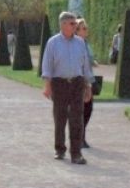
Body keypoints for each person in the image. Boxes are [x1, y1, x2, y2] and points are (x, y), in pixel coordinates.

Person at [42, 11, 93, 165]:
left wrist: (88, 85)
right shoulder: (52, 42)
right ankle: (60, 148)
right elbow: (47, 65)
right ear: (63, 24)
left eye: (76, 24)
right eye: (72, 24)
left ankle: (76, 153)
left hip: (77, 83)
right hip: (59, 83)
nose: (75, 26)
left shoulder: (80, 42)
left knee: (77, 118)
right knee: (60, 117)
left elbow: (85, 65)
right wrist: (47, 86)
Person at [75, 19, 99, 149]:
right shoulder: (75, 44)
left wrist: (93, 61)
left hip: (88, 79)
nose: (86, 31)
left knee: (88, 109)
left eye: (86, 28)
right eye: (83, 28)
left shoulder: (85, 43)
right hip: (80, 80)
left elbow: (87, 59)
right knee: (82, 110)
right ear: (77, 31)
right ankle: (80, 138)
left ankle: (81, 136)